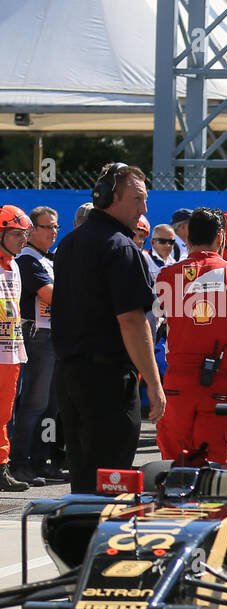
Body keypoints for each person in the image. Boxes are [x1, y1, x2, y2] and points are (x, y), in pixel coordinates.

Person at [51, 162, 165, 493]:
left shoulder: (71, 242)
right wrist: (155, 385)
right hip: (107, 382)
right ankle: (100, 543)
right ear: (107, 198)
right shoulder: (121, 246)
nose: (144, 208)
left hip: (71, 376)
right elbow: (132, 321)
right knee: (111, 482)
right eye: (137, 199)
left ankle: (79, 542)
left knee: (84, 480)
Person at [154, 207, 227, 465]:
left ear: (188, 238)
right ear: (221, 237)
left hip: (176, 382)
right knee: (215, 467)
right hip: (219, 380)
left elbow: (152, 322)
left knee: (172, 466)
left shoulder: (166, 275)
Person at [12, 205, 60, 486]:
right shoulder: (27, 260)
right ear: (31, 231)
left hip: (53, 336)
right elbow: (52, 295)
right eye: (47, 227)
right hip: (36, 337)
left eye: (56, 226)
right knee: (33, 403)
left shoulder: (48, 259)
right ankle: (20, 463)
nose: (53, 232)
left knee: (51, 406)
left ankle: (42, 461)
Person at [0, 206, 31, 491]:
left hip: (10, 350)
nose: (23, 239)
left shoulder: (16, 266)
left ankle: (1, 468)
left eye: (25, 234)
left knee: (4, 413)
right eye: (17, 234)